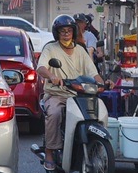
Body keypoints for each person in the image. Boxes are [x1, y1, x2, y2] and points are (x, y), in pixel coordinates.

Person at [37, 14, 97, 164]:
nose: (65, 33)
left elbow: (94, 73)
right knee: (55, 113)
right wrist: (51, 75)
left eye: (68, 30)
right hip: (57, 95)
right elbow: (41, 67)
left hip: (79, 95)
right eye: (62, 31)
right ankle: (50, 151)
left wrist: (104, 83)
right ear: (57, 33)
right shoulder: (50, 48)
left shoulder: (81, 51)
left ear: (74, 32)